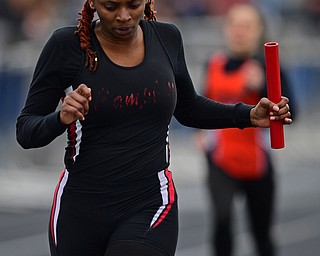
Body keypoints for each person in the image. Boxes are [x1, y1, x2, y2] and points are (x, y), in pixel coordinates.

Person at [16, 1, 292, 255]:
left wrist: (249, 115)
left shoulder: (167, 38)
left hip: (149, 202)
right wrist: (60, 117)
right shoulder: (66, 45)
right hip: (81, 206)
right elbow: (26, 131)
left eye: (134, 4)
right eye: (111, 6)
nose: (124, 16)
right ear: (92, 2)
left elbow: (189, 108)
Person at [194, 4, 295, 256]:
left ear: (259, 30)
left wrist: (263, 87)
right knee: (222, 225)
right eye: (235, 25)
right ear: (226, 29)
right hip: (220, 159)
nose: (240, 31)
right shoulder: (214, 63)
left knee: (261, 233)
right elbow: (201, 104)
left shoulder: (268, 67)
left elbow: (293, 112)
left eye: (247, 26)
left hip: (257, 163)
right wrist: (199, 133)